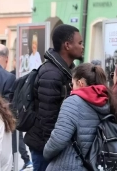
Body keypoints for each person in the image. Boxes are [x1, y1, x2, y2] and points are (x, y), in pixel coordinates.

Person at [24, 24, 84, 171]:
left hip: (54, 146)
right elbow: (48, 118)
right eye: (80, 43)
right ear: (67, 45)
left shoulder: (66, 70)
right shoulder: (52, 74)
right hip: (45, 148)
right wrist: (52, 150)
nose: (82, 47)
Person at [43, 63, 113, 170]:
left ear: (80, 83)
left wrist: (46, 153)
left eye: (72, 84)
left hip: (69, 165)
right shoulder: (107, 102)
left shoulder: (73, 102)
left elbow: (58, 139)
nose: (71, 89)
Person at [9, 54, 33, 170]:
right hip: (15, 112)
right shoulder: (13, 75)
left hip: (14, 113)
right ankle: (25, 159)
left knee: (17, 138)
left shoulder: (13, 76)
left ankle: (26, 159)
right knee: (17, 138)